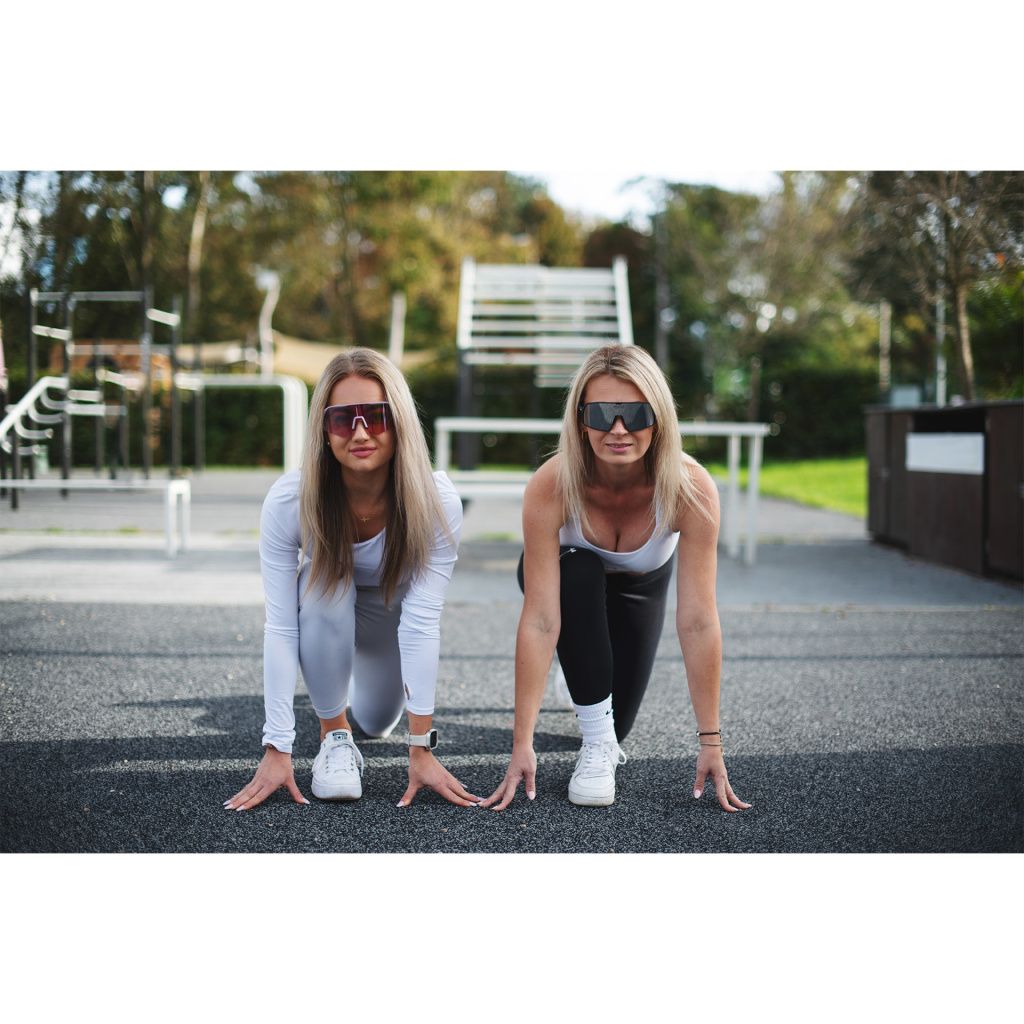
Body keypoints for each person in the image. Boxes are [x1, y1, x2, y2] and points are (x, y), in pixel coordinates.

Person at [483, 343, 751, 812]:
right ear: (581, 421)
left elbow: (698, 621)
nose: (619, 429)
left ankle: (582, 670)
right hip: (565, 581)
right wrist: (521, 743)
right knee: (580, 573)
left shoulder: (691, 488)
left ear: (658, 419)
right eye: (603, 414)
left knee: (620, 720)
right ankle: (597, 742)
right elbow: (541, 620)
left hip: (640, 586)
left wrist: (711, 743)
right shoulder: (551, 483)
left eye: (636, 413)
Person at [225, 348, 480, 811]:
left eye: (376, 416)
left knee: (378, 723)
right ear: (324, 430)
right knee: (325, 579)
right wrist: (278, 746)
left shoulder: (436, 500)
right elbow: (280, 626)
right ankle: (334, 737)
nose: (360, 432)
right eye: (343, 419)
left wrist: (421, 748)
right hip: (326, 613)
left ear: (400, 421)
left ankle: (352, 690)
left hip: (391, 621)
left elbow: (422, 622)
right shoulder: (290, 501)